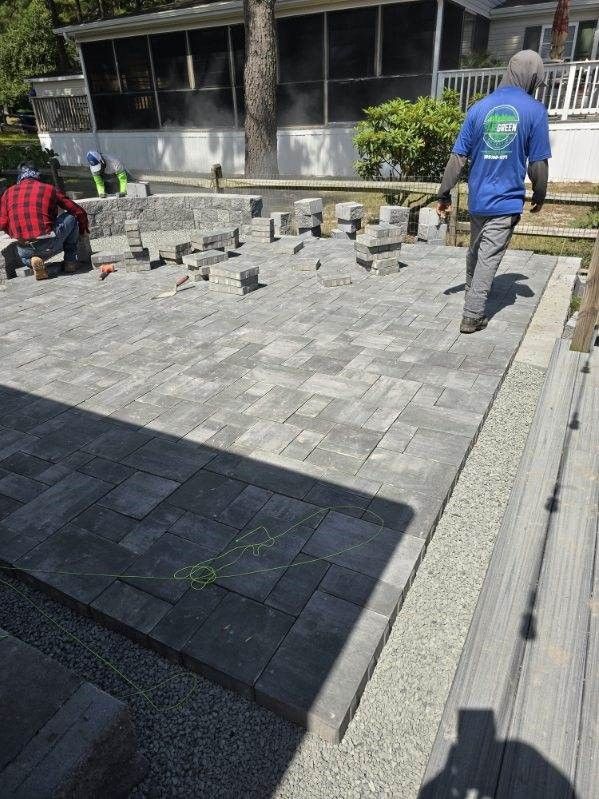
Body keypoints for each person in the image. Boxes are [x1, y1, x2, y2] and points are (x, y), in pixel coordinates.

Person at [437, 50, 551, 334]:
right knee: (488, 256)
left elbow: (458, 157)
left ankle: (469, 298)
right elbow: (538, 162)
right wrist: (539, 194)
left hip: (479, 199)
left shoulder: (478, 108)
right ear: (533, 76)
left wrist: (444, 193)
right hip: (506, 200)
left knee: (476, 252)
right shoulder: (534, 111)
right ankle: (473, 315)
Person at [0, 162, 89, 281]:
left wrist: (15, 232)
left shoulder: (7, 193)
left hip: (24, 249)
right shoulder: (49, 189)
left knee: (24, 256)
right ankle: (70, 262)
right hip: (48, 244)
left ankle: (32, 261)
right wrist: (83, 230)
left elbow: (2, 223)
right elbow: (78, 212)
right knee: (71, 217)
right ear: (37, 175)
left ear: (20, 177)